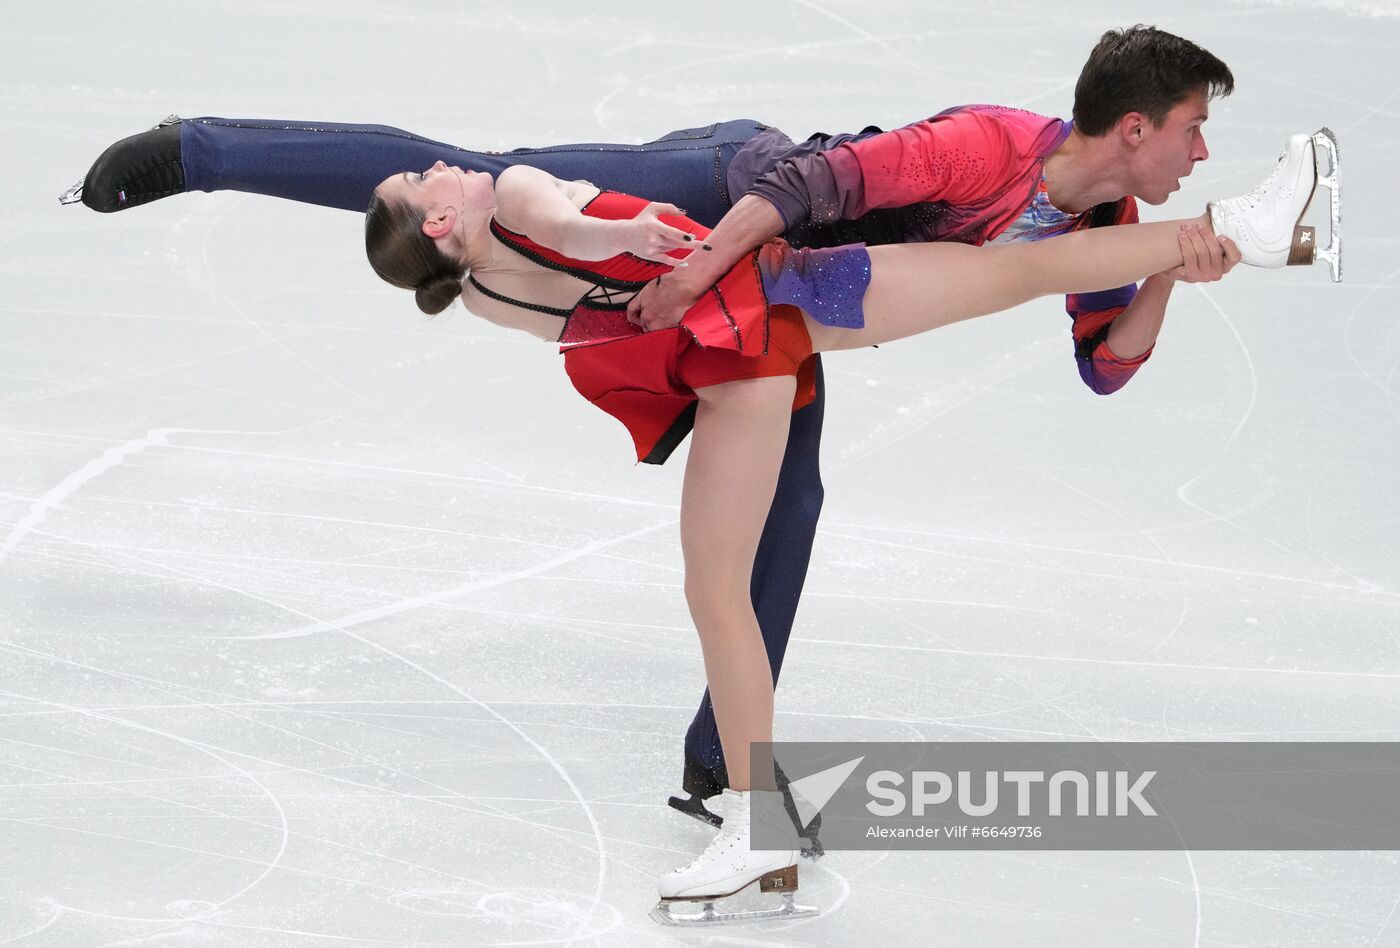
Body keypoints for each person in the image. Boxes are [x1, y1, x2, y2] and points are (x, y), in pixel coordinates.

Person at [65, 26, 1311, 832]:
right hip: (727, 202)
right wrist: (673, 262)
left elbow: (1106, 367)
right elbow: (807, 185)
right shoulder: (990, 145)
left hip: (780, 311)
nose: (1200, 149)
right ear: (1134, 126)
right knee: (478, 175)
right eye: (1192, 127)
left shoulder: (1093, 240)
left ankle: (726, 764)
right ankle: (199, 148)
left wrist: (1170, 269)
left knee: (787, 513)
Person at [360, 128, 1329, 921]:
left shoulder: (480, 294)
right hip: (767, 318)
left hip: (745, 342)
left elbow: (578, 255)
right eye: (425, 174)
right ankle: (755, 829)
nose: (446, 160)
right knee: (1027, 271)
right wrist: (646, 249)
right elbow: (564, 226)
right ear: (442, 219)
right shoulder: (518, 197)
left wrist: (651, 256)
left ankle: (1250, 228)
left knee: (716, 588)